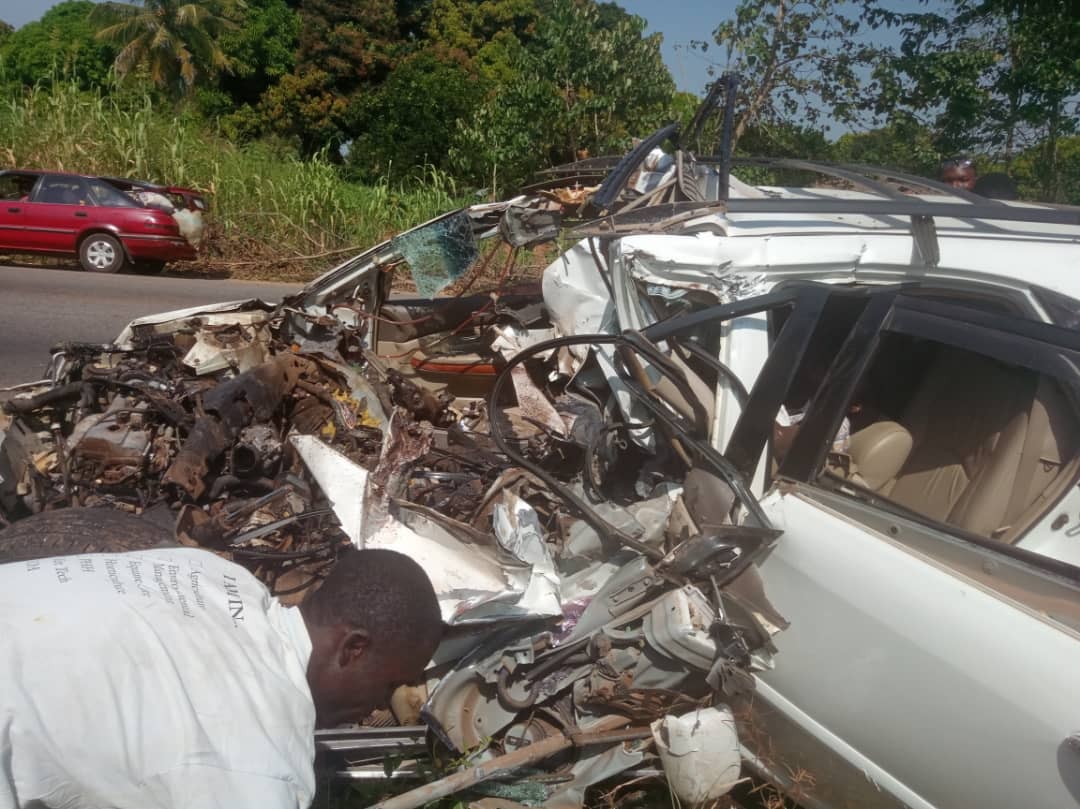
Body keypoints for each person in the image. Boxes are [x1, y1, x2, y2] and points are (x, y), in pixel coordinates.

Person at [0, 545, 442, 809]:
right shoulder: (260, 774)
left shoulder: (217, 575)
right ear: (353, 648)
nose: (382, 706)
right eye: (388, 684)